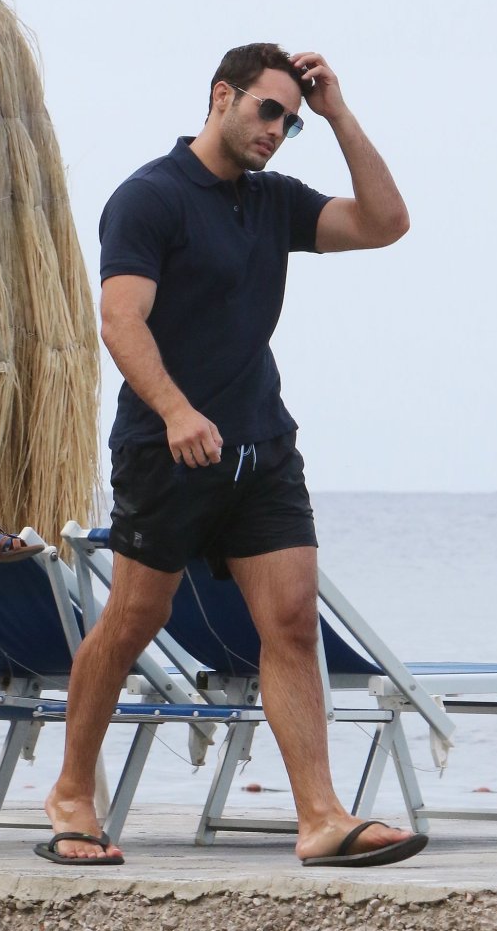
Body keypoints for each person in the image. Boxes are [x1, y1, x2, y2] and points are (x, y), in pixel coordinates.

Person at [41, 44, 426, 868]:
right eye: (267, 110)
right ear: (222, 96)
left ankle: (319, 817)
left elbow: (386, 224)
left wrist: (337, 114)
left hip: (263, 446)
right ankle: (71, 793)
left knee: (290, 622)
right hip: (166, 449)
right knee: (133, 620)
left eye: (290, 121)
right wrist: (176, 410)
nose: (277, 130)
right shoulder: (149, 197)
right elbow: (119, 320)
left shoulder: (272, 201)